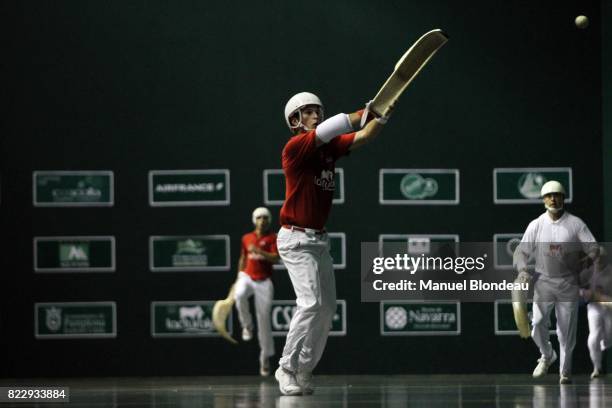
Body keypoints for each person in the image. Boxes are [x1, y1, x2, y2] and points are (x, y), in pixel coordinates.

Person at [274, 92, 391, 395]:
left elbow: (362, 136)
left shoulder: (329, 150)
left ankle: (302, 370)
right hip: (295, 239)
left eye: (317, 110)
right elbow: (343, 124)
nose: (315, 115)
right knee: (311, 303)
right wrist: (368, 109)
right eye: (308, 112)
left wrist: (382, 116)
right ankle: (286, 367)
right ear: (295, 121)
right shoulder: (296, 147)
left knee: (326, 308)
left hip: (318, 241)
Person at [514, 180, 599, 384]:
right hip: (543, 282)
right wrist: (523, 269)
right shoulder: (536, 225)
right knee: (538, 323)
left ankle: (565, 372)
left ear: (563, 198)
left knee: (566, 331)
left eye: (557, 195)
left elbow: (594, 248)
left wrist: (585, 261)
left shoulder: (575, 224)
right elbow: (521, 251)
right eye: (549, 195)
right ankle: (547, 355)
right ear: (544, 200)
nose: (553, 198)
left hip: (569, 283)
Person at [234, 207, 280, 376]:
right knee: (238, 295)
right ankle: (246, 325)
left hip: (264, 282)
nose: (262, 220)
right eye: (259, 217)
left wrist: (260, 251)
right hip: (246, 276)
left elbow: (276, 257)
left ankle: (265, 357)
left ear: (269, 220)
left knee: (264, 323)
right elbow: (243, 258)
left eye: (265, 218)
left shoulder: (274, 238)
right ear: (255, 220)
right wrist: (238, 277)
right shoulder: (246, 238)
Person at [579, 247, 612, 379]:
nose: (598, 260)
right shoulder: (587, 272)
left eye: (601, 258)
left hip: (609, 308)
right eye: (596, 258)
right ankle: (596, 368)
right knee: (593, 338)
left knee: (609, 336)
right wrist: (583, 293)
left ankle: (604, 344)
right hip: (594, 308)